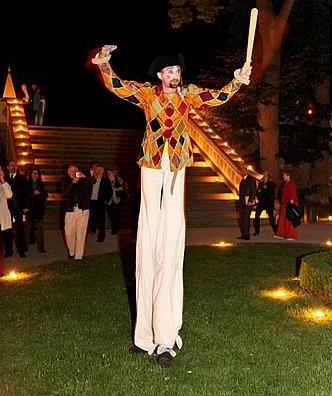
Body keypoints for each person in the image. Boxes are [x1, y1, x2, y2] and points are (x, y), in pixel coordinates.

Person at [91, 44, 251, 367]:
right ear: (161, 75)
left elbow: (216, 97)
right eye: (170, 72)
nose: (175, 76)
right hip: (150, 167)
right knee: (147, 248)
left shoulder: (188, 96)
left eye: (178, 71)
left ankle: (166, 339)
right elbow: (119, 88)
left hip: (176, 169)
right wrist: (104, 64)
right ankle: (144, 338)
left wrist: (238, 80)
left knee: (171, 245)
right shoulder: (149, 96)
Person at [63, 164, 95, 260]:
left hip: (83, 210)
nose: (73, 172)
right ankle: (72, 252)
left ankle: (78, 256)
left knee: (80, 233)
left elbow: (93, 181)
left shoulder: (83, 180)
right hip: (70, 210)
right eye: (71, 171)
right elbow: (65, 191)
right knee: (68, 233)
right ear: (68, 172)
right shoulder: (66, 181)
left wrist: (84, 176)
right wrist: (73, 182)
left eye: (75, 170)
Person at [5, 160, 28, 258]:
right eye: (11, 165)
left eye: (14, 165)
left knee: (20, 229)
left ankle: (21, 250)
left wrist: (26, 206)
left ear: (17, 167)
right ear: (7, 167)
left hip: (19, 207)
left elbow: (26, 193)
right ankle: (8, 251)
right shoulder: (4, 178)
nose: (13, 167)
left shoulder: (22, 178)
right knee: (7, 230)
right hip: (6, 208)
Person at [25, 167, 48, 253]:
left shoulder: (41, 184)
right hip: (29, 210)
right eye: (33, 173)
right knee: (27, 229)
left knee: (40, 229)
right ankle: (25, 247)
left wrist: (39, 194)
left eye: (36, 173)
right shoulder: (26, 184)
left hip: (39, 210)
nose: (35, 175)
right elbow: (25, 195)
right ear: (30, 174)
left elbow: (45, 195)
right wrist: (33, 194)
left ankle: (41, 247)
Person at [88, 163, 111, 242]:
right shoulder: (92, 179)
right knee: (92, 217)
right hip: (92, 201)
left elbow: (109, 192)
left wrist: (106, 200)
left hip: (100, 202)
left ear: (102, 171)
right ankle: (92, 230)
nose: (97, 171)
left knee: (101, 220)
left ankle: (101, 236)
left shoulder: (105, 181)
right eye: (96, 170)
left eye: (99, 170)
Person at [274, 169, 298, 240]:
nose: (283, 176)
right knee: (282, 220)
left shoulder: (291, 184)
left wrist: (291, 204)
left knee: (289, 220)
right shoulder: (285, 184)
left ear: (288, 176)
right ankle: (281, 234)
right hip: (284, 204)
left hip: (289, 205)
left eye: (284, 175)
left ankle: (291, 235)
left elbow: (293, 194)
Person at [253, 171, 277, 236]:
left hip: (269, 202)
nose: (264, 177)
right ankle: (257, 231)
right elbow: (258, 192)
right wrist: (259, 191)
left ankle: (276, 231)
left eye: (265, 175)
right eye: (263, 175)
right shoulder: (260, 184)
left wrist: (265, 189)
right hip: (261, 202)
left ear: (268, 177)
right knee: (256, 216)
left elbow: (272, 193)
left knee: (271, 217)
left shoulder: (271, 184)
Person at [237, 166, 257, 240]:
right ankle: (243, 233)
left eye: (244, 170)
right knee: (242, 218)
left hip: (248, 201)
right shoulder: (242, 180)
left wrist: (251, 200)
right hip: (242, 202)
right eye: (241, 170)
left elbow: (253, 190)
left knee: (246, 218)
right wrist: (239, 193)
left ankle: (247, 235)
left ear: (247, 171)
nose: (242, 172)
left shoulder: (251, 179)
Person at [106, 168, 127, 235]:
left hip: (118, 200)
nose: (109, 174)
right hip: (109, 202)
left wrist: (115, 189)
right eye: (108, 173)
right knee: (111, 216)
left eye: (110, 173)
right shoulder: (106, 181)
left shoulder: (119, 179)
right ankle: (114, 228)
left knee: (117, 216)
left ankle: (116, 229)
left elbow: (123, 187)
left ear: (114, 173)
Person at [0, 166, 13, 277]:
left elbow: (9, 195)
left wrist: (3, 181)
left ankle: (0, 271)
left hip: (1, 220)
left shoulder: (5, 185)